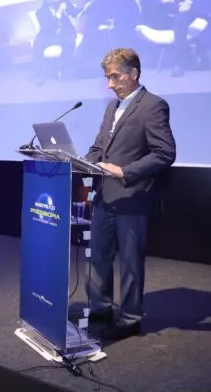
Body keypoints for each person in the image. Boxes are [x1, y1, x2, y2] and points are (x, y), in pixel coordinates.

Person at [84, 48, 176, 340]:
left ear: (133, 73)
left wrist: (125, 171)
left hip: (133, 197)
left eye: (115, 77)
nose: (110, 84)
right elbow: (99, 147)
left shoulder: (153, 105)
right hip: (105, 195)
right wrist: (82, 163)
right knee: (98, 256)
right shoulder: (112, 107)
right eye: (107, 78)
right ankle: (99, 309)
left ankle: (130, 319)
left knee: (130, 263)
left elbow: (165, 153)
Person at [136, 0, 207, 76]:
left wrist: (187, 3)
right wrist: (167, 3)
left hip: (182, 14)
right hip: (161, 19)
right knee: (179, 19)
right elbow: (149, 11)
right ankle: (181, 61)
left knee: (180, 19)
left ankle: (179, 62)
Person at [33, 0, 92, 83]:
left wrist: (85, 9)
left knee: (69, 40)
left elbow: (74, 13)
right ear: (48, 0)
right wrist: (59, 13)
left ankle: (64, 69)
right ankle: (39, 74)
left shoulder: (63, 2)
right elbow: (48, 28)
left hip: (64, 33)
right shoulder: (40, 12)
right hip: (49, 36)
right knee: (37, 44)